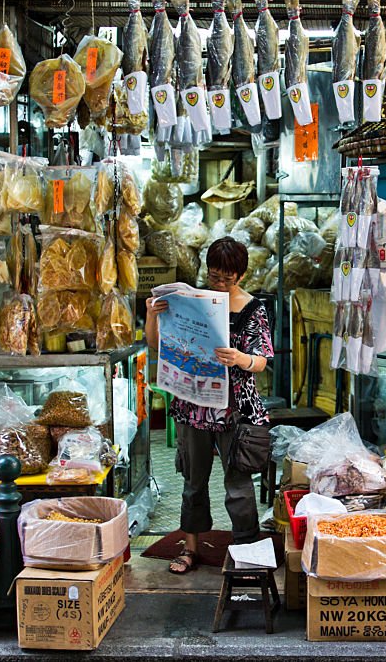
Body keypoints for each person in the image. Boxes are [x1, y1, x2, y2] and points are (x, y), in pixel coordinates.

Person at [145, 237, 274, 574]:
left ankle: (246, 549)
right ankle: (189, 548)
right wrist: (151, 315)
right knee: (192, 482)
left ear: (241, 276)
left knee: (239, 484)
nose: (219, 283)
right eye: (214, 275)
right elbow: (158, 345)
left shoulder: (252, 308)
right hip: (193, 406)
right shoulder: (190, 301)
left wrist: (241, 358)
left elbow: (261, 361)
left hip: (237, 410)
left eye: (226, 278)